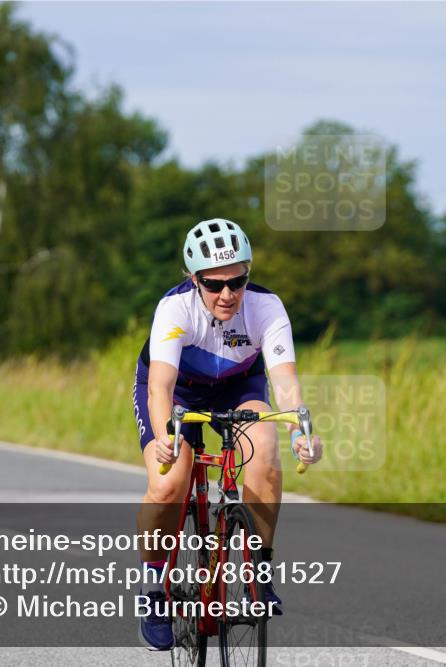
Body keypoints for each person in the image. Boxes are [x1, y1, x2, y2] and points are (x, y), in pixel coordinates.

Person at [132, 218, 323, 650]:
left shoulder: (266, 307)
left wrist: (301, 432)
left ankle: (259, 574)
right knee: (168, 484)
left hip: (239, 387)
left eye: (237, 281)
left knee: (265, 453)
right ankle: (153, 589)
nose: (226, 294)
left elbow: (286, 382)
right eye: (213, 284)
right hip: (178, 390)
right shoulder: (175, 309)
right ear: (193, 279)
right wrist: (166, 434)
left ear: (247, 274)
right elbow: (160, 386)